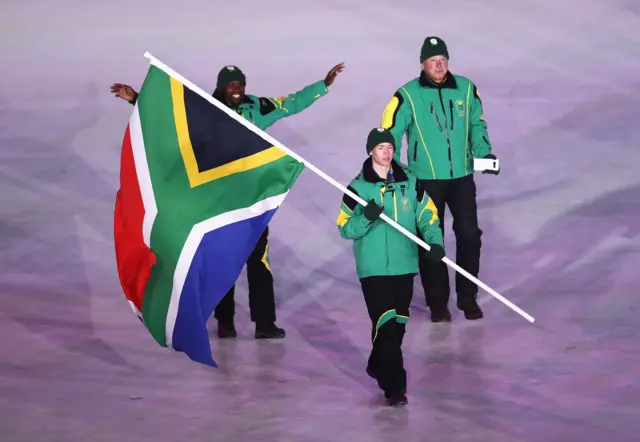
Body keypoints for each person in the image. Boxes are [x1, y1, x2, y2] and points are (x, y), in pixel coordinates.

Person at [111, 62, 345, 339]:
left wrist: (323, 85)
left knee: (260, 264)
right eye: (232, 84)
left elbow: (291, 103)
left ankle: (265, 324)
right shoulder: (204, 110)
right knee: (225, 261)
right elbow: (168, 119)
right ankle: (225, 323)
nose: (238, 89)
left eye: (241, 83)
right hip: (219, 201)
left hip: (252, 202)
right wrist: (137, 99)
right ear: (222, 86)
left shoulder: (257, 107)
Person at [380, 36, 499, 323]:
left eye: (443, 60)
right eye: (433, 60)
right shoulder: (407, 95)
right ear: (423, 63)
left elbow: (476, 124)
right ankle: (438, 304)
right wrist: (393, 168)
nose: (439, 65)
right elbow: (388, 134)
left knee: (470, 236)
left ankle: (468, 298)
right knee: (431, 242)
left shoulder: (466, 89)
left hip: (461, 178)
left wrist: (484, 153)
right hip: (426, 181)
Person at [336, 127, 445, 406]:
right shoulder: (357, 188)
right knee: (385, 325)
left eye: (390, 147)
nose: (387, 153)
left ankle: (377, 363)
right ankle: (395, 387)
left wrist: (435, 243)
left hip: (404, 264)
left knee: (397, 326)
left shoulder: (410, 181)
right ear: (370, 150)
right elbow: (345, 229)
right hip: (372, 269)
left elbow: (427, 216)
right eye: (381, 147)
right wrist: (367, 218)